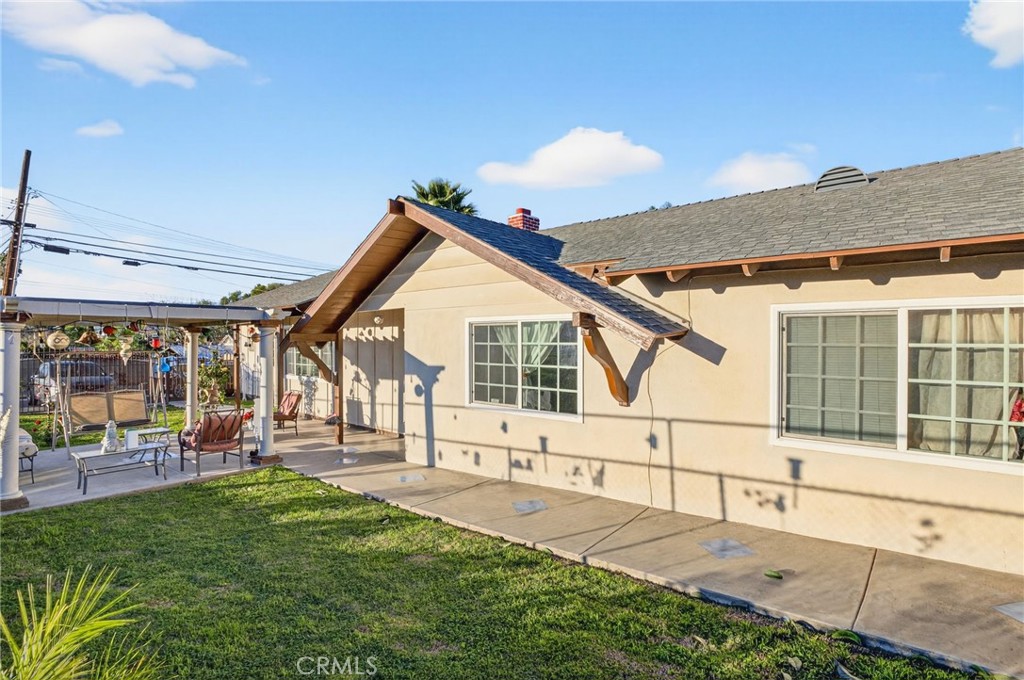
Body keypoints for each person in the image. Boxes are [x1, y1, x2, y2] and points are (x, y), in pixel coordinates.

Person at [1011, 387, 1024, 460]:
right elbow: (1015, 413)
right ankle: (1019, 451)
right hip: (1016, 425)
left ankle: (1020, 451)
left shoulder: (1020, 403)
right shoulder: (1016, 403)